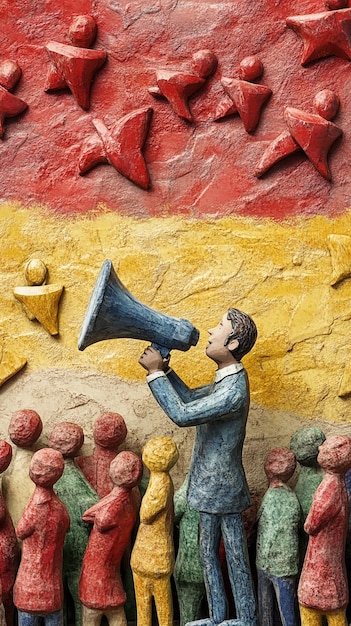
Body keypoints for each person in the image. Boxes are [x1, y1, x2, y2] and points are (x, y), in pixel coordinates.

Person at [139, 308, 258, 626]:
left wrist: (155, 375)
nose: (210, 332)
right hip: (208, 486)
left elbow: (183, 414)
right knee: (207, 553)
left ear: (232, 343)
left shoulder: (234, 389)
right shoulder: (224, 381)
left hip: (225, 489)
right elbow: (191, 398)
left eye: (219, 327)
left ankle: (245, 618)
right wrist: (166, 371)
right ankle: (218, 615)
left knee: (235, 556)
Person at [298, 435, 351, 626]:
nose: (320, 448)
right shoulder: (341, 485)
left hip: (319, 574)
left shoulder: (328, 487)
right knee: (337, 616)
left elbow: (311, 525)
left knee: (311, 613)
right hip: (334, 572)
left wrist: (307, 523)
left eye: (324, 448)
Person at [13, 448, 70, 626]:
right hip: (53, 587)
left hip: (31, 585)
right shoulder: (60, 508)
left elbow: (21, 531)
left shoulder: (37, 507)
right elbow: (65, 527)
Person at [131, 436, 179, 626]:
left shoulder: (160, 484)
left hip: (152, 554)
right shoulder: (161, 480)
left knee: (154, 601)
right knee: (153, 601)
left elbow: (145, 514)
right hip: (154, 553)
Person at [256, 448, 301, 626]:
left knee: (284, 610)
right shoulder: (288, 497)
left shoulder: (283, 497)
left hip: (279, 564)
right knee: (269, 609)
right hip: (270, 562)